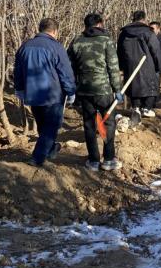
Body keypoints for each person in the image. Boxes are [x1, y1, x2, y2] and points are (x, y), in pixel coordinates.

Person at [13, 18, 76, 167]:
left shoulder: (25, 47)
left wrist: (19, 89)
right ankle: (37, 157)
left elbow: (18, 71)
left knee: (43, 125)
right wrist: (71, 91)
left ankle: (51, 148)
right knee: (51, 126)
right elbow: (65, 72)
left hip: (32, 93)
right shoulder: (56, 47)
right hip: (52, 94)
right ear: (54, 31)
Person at [67, 13, 124, 171]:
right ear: (100, 24)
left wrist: (73, 87)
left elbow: (69, 67)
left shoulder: (76, 41)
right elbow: (113, 67)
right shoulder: (106, 41)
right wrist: (117, 89)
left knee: (89, 125)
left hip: (84, 90)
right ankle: (109, 159)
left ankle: (93, 160)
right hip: (104, 90)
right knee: (109, 123)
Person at [118, 11, 161, 123]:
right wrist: (159, 66)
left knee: (133, 86)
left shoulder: (124, 33)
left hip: (130, 65)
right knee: (149, 86)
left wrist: (122, 65)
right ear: (144, 19)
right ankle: (146, 108)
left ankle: (136, 107)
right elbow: (156, 50)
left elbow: (119, 51)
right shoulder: (148, 32)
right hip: (147, 64)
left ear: (133, 19)